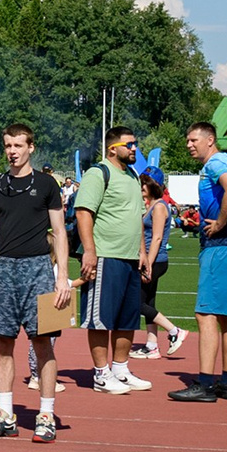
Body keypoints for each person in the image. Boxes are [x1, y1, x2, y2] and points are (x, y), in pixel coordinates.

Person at [0, 124, 73, 442]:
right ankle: (4, 414)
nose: (12, 151)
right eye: (7, 146)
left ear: (31, 147)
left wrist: (62, 277)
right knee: (2, 343)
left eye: (18, 145)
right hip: (2, 271)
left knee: (43, 343)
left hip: (39, 271)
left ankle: (45, 415)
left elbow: (59, 232)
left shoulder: (47, 184)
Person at [171, 122, 227, 404]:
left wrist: (221, 220)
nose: (189, 145)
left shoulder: (216, 164)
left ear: (210, 140)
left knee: (205, 315)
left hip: (220, 246)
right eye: (188, 140)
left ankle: (205, 384)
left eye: (193, 140)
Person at [75, 127, 151, 393]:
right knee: (100, 319)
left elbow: (137, 217)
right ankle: (100, 374)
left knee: (127, 318)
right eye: (130, 145)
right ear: (112, 148)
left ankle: (120, 369)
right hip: (106, 255)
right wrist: (90, 251)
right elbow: (84, 213)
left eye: (135, 144)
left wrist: (142, 251)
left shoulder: (132, 175)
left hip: (130, 257)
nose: (134, 149)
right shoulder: (98, 173)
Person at [128, 153, 186, 365]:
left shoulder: (160, 206)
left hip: (156, 260)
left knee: (135, 302)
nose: (142, 186)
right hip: (151, 259)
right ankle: (152, 345)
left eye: (147, 183)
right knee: (149, 301)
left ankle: (174, 330)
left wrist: (148, 264)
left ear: (156, 186)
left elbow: (158, 237)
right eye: (142, 182)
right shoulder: (151, 205)